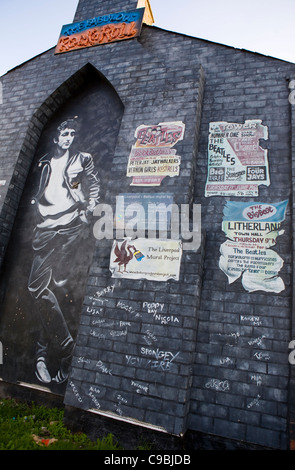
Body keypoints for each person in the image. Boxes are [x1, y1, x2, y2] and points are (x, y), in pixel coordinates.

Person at [28, 117, 100, 384]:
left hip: (71, 228)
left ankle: (42, 355)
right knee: (38, 289)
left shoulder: (82, 159)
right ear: (56, 138)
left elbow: (93, 185)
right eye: (64, 133)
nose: (68, 137)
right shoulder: (44, 161)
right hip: (44, 230)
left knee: (57, 287)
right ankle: (68, 352)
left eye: (72, 133)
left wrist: (88, 212)